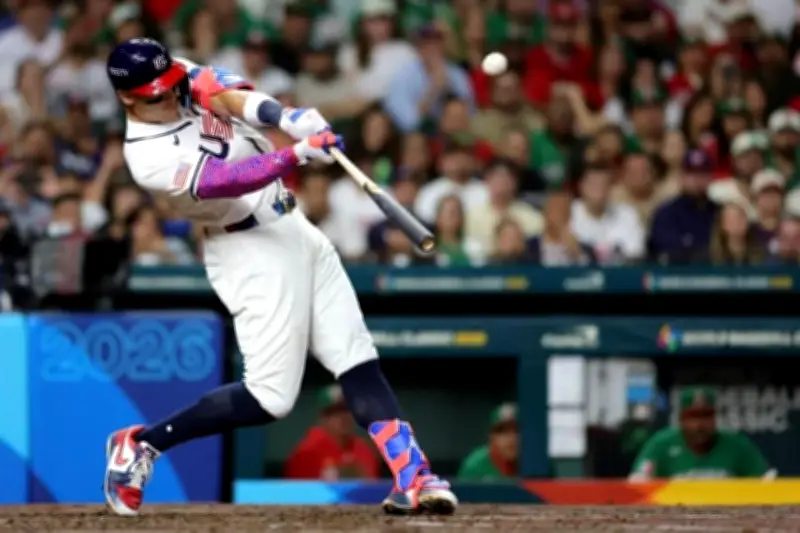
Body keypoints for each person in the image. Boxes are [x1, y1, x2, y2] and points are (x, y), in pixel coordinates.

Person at [102, 38, 456, 517]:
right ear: (128, 97)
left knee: (356, 358)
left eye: (171, 86)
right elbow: (226, 181)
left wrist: (282, 117)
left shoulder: (175, 75)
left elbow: (226, 95)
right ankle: (141, 444)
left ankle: (413, 477)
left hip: (292, 225)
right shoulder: (146, 158)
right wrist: (297, 154)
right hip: (247, 248)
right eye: (156, 94)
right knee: (271, 398)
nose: (171, 95)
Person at [629, 387, 774, 480]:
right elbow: (637, 483)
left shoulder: (737, 444)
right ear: (681, 420)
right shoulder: (661, 444)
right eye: (693, 417)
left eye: (706, 416)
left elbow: (765, 481)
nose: (700, 425)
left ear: (715, 418)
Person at [285, 384, 379, 480]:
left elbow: (374, 490)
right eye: (335, 411)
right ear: (323, 418)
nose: (343, 417)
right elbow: (299, 493)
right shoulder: (307, 453)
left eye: (348, 409)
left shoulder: (364, 450)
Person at [458, 402, 518, 480]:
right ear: (491, 436)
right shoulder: (475, 465)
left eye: (517, 429)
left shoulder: (536, 462)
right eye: (502, 431)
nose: (511, 437)